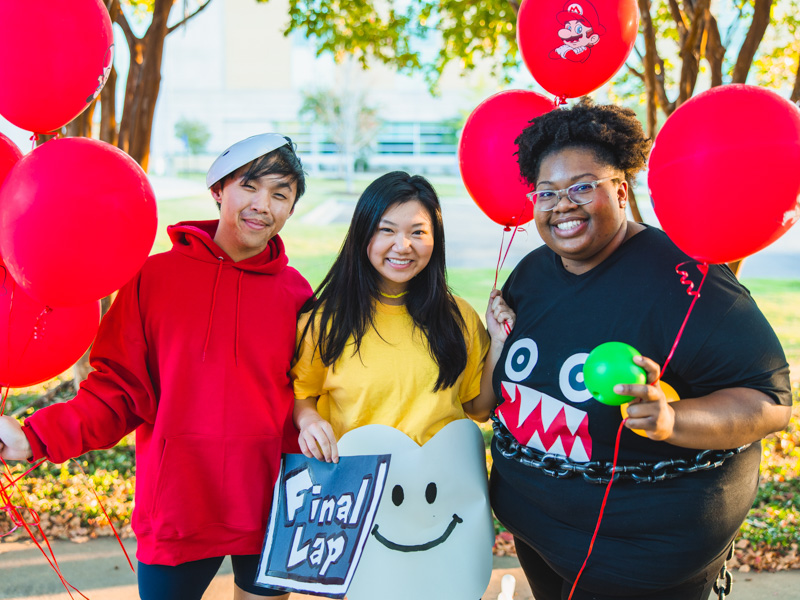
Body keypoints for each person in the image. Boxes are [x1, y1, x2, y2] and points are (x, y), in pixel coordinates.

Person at [489, 99, 792, 600]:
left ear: (622, 191)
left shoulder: (691, 283)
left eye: (582, 186)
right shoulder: (533, 273)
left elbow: (769, 401)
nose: (562, 204)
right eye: (547, 192)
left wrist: (674, 419)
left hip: (639, 563)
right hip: (537, 536)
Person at [0, 133, 312, 600]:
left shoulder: (298, 295)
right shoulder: (154, 279)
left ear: (290, 210)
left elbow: (314, 395)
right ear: (219, 190)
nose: (262, 205)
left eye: (280, 194)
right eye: (250, 186)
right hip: (178, 507)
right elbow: (117, 394)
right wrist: (35, 436)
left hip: (268, 503)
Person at [291, 171, 513, 462]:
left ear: (435, 239)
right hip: (356, 487)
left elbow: (479, 408)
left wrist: (497, 342)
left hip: (439, 486)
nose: (402, 246)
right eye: (387, 230)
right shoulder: (325, 321)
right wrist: (308, 420)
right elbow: (302, 394)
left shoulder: (459, 316)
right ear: (363, 234)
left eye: (418, 232)